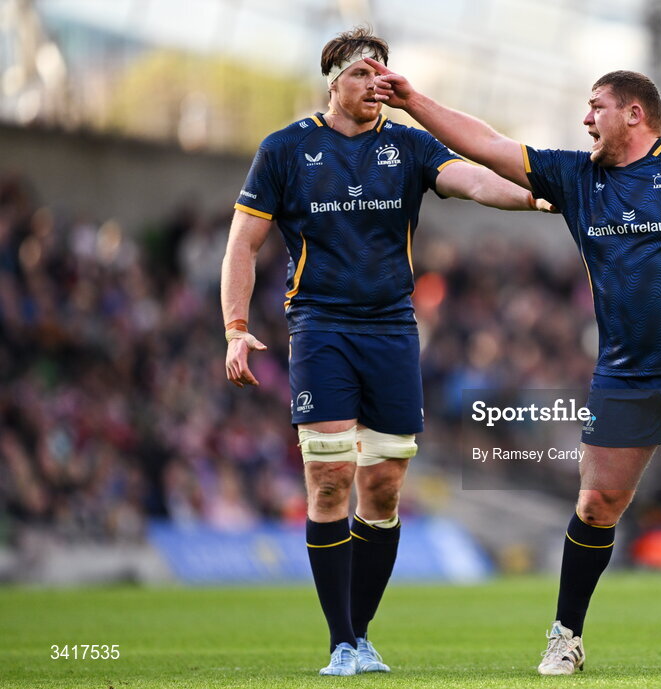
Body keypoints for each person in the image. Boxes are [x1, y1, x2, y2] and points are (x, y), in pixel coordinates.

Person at [370, 60, 661, 675]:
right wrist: (414, 101)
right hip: (624, 372)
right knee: (598, 502)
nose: (584, 118)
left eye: (595, 106)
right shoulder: (577, 176)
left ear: (634, 113)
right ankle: (565, 636)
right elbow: (489, 146)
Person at [220, 27, 551, 677]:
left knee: (382, 486)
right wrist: (235, 324)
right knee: (330, 474)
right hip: (321, 328)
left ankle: (359, 632)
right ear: (332, 81)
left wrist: (540, 195)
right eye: (360, 77)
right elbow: (242, 245)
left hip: (393, 331)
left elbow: (477, 182)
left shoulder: (409, 145)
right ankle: (341, 640)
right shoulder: (286, 150)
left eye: (381, 77)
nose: (373, 88)